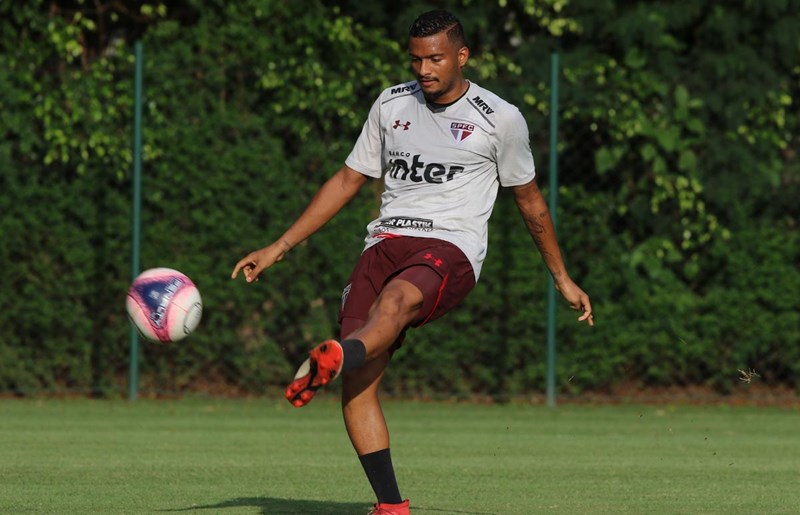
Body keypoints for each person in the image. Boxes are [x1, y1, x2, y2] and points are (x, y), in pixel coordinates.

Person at [232, 9, 593, 515]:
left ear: (462, 57)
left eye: (436, 58)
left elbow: (530, 202)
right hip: (382, 244)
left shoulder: (500, 119)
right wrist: (279, 246)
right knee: (359, 388)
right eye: (416, 58)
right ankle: (390, 505)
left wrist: (561, 276)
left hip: (450, 248)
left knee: (397, 302)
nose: (424, 69)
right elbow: (346, 181)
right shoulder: (391, 104)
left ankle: (338, 355)